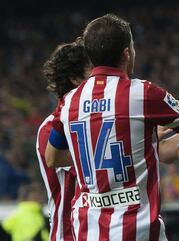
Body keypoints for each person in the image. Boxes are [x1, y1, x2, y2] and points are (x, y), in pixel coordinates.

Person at [44, 14, 179, 241]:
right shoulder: (142, 93)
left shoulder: (69, 101)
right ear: (126, 53)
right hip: (136, 231)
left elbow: (53, 158)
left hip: (87, 231)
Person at [37, 40, 91, 241]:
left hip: (98, 231)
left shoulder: (95, 120)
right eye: (93, 69)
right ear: (76, 78)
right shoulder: (51, 128)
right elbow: (96, 169)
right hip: (69, 234)